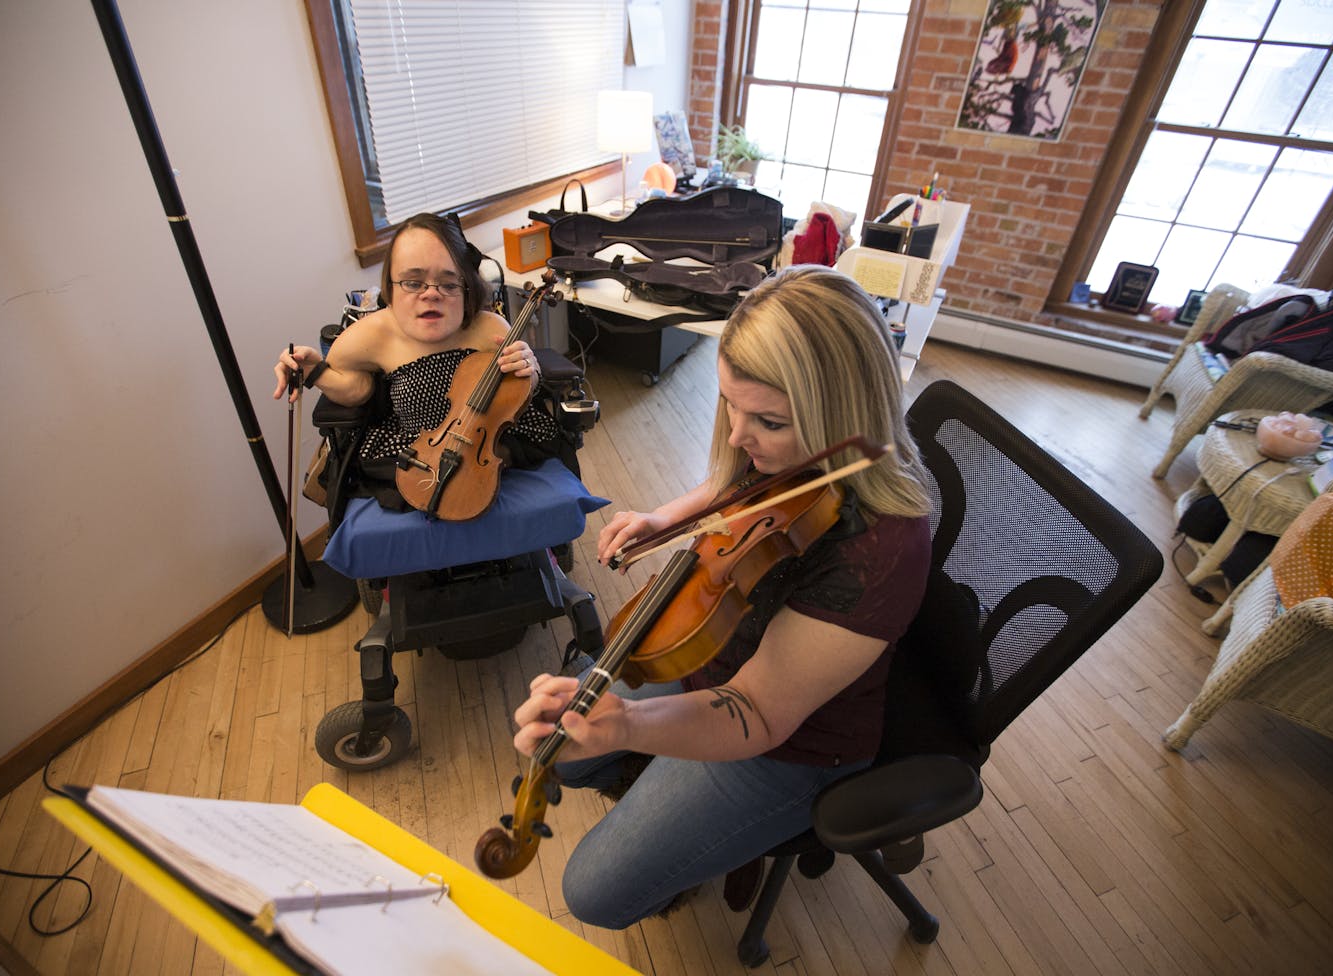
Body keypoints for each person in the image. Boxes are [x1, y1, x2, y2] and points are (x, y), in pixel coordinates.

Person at [510, 265, 934, 929]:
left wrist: (627, 724)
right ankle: (677, 806)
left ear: (842, 412)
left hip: (789, 743)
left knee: (594, 891)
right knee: (565, 756)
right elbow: (736, 493)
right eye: (730, 404)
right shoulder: (783, 454)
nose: (737, 435)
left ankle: (709, 832)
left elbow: (758, 713)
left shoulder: (884, 548)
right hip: (720, 661)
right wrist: (664, 520)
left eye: (766, 419)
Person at [271, 212, 561, 504]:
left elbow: (517, 392)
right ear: (391, 287)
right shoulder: (372, 334)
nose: (431, 294)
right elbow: (356, 389)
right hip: (416, 451)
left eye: (449, 284)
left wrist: (529, 371)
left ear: (466, 288)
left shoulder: (491, 329)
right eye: (413, 282)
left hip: (490, 446)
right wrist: (314, 371)